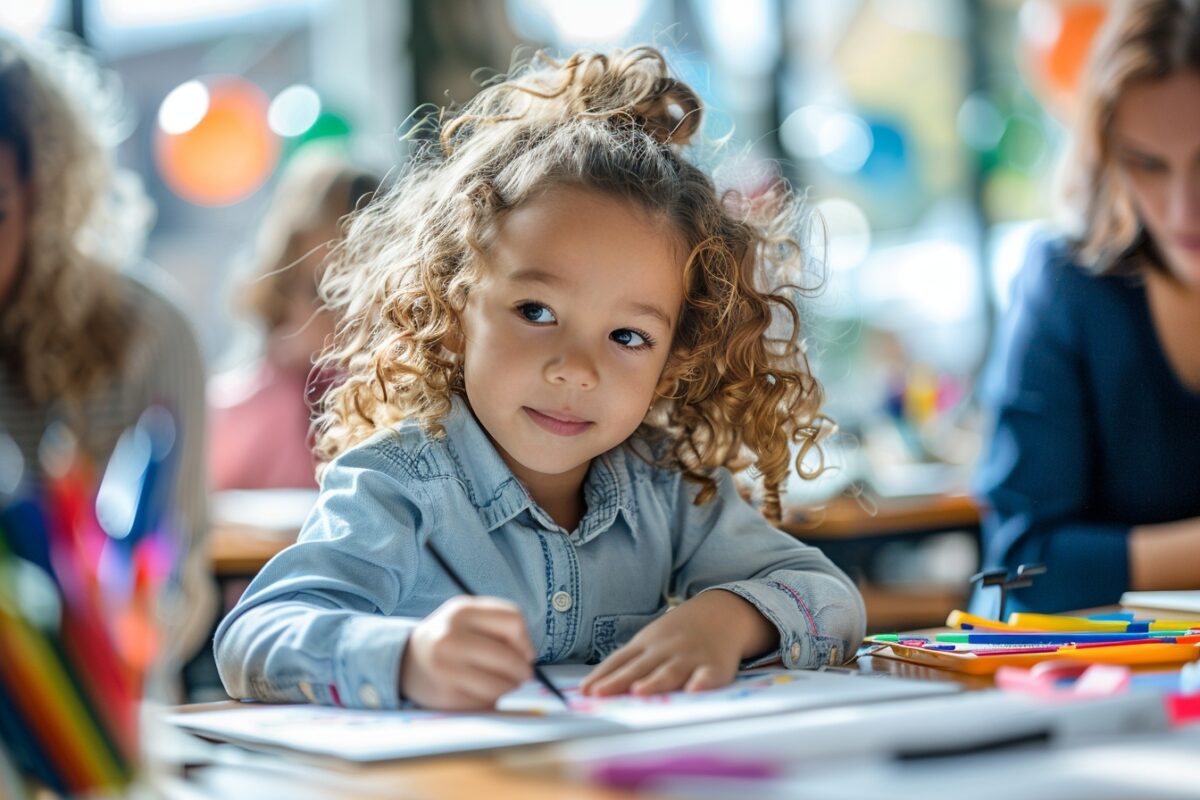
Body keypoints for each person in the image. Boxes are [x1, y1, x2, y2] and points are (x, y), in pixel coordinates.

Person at [215, 46, 865, 711]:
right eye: (536, 312)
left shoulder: (667, 486)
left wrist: (728, 620)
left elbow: (830, 598)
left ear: (674, 361)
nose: (577, 369)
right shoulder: (396, 487)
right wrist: (405, 658)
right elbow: (253, 637)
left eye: (628, 337)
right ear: (456, 304)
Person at [0, 35, 215, 689]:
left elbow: (180, 586)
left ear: (45, 201)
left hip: (100, 733)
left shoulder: (146, 332)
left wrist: (124, 620)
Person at [975, 0, 1200, 615]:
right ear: (1105, 157)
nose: (1182, 211)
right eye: (1146, 164)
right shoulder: (1066, 286)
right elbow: (1017, 570)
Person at [208, 148, 379, 491]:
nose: (346, 318)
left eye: (369, 294)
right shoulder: (243, 407)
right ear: (282, 288)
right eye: (324, 291)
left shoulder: (405, 406)